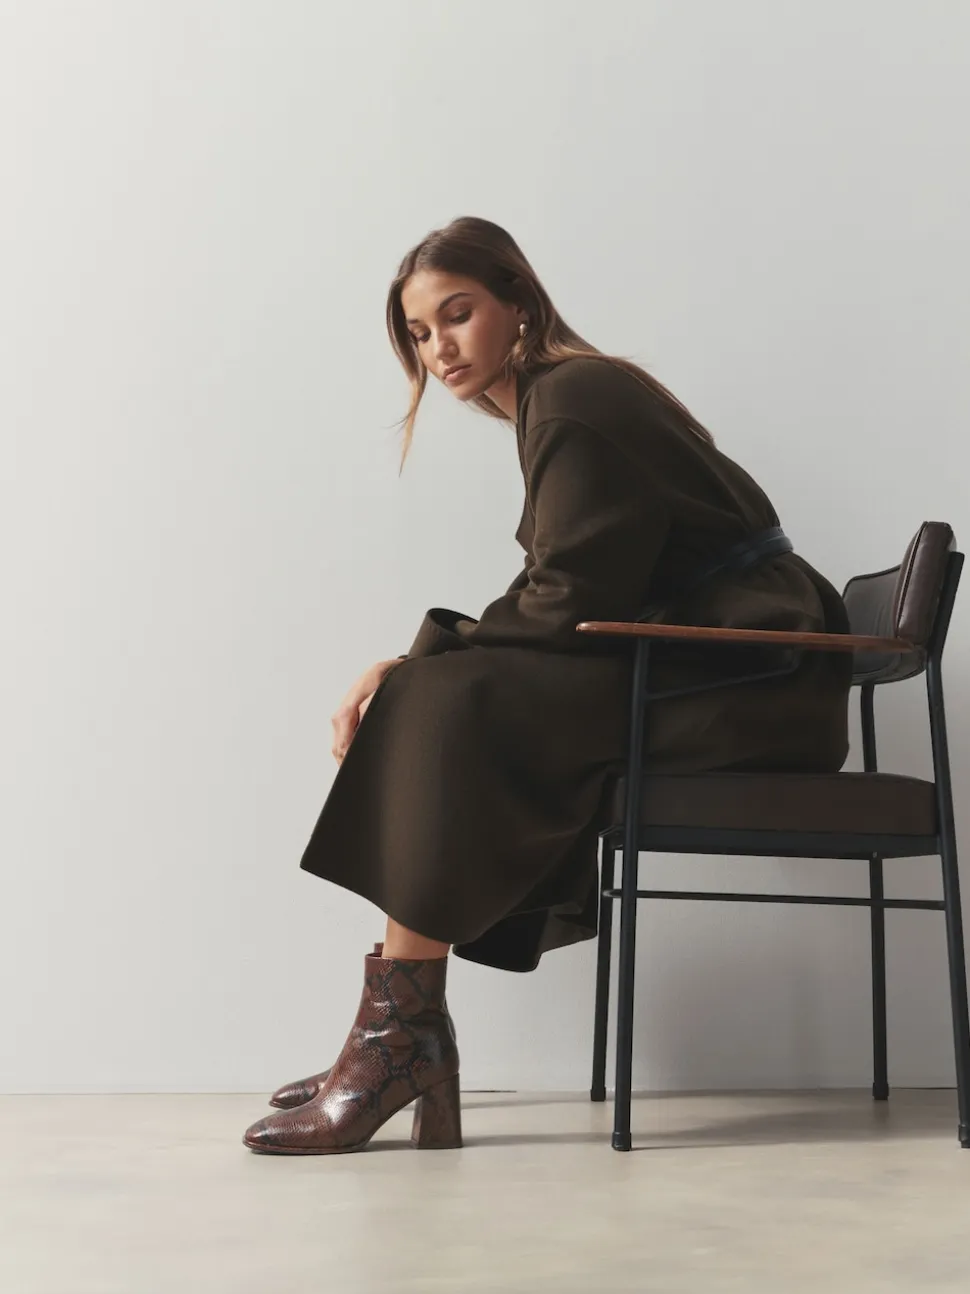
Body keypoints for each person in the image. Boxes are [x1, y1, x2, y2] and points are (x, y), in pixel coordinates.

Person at [242, 216, 851, 1155]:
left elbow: (571, 594)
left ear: (517, 303)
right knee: (439, 699)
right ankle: (401, 1034)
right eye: (420, 333)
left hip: (754, 678)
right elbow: (571, 589)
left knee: (442, 704)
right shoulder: (553, 401)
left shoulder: (573, 395)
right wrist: (426, 662)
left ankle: (399, 1039)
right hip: (705, 661)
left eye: (458, 315)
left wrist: (419, 662)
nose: (440, 349)